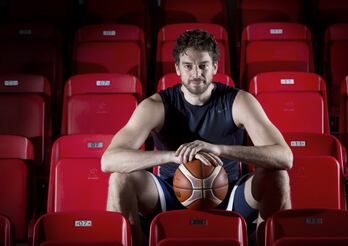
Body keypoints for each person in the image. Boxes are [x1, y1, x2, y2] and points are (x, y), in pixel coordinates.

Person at [101, 29, 293, 245]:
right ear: (177, 69)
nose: (196, 74)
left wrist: (218, 149)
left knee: (278, 177)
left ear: (215, 67)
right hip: (170, 194)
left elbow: (285, 157)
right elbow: (109, 160)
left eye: (203, 65)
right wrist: (173, 156)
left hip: (227, 194)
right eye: (188, 66)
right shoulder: (156, 105)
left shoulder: (238, 101)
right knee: (120, 179)